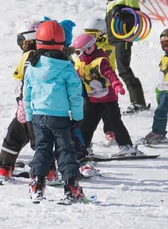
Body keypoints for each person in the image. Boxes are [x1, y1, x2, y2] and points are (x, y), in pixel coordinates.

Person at [23, 20, 85, 203]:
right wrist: (78, 116)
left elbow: (26, 92)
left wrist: (28, 116)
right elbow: (75, 93)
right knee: (65, 150)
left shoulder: (33, 65)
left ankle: (37, 184)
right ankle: (72, 186)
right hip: (59, 117)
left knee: (42, 150)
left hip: (38, 116)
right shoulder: (66, 66)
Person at [72, 33, 142, 161]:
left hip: (108, 99)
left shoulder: (101, 61)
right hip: (92, 100)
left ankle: (126, 146)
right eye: (77, 53)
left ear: (89, 48)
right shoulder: (81, 64)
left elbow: (110, 74)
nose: (79, 55)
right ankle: (84, 147)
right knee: (86, 124)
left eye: (80, 51)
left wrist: (117, 85)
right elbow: (76, 78)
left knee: (115, 123)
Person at [0, 20, 41, 181]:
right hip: (29, 107)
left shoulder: (31, 56)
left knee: (36, 140)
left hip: (29, 107)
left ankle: (47, 170)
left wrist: (24, 100)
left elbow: (30, 80)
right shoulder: (33, 54)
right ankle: (5, 167)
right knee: (15, 135)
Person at [104, 0, 148, 114]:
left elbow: (136, 18)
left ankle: (138, 102)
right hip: (112, 39)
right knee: (109, 70)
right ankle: (107, 100)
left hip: (123, 39)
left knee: (124, 70)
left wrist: (121, 14)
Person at [83, 17, 117, 145]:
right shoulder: (87, 47)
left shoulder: (108, 48)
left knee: (108, 110)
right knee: (88, 111)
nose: (89, 38)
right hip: (89, 83)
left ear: (101, 33)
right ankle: (84, 138)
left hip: (106, 83)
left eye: (92, 35)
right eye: (87, 34)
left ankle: (110, 131)